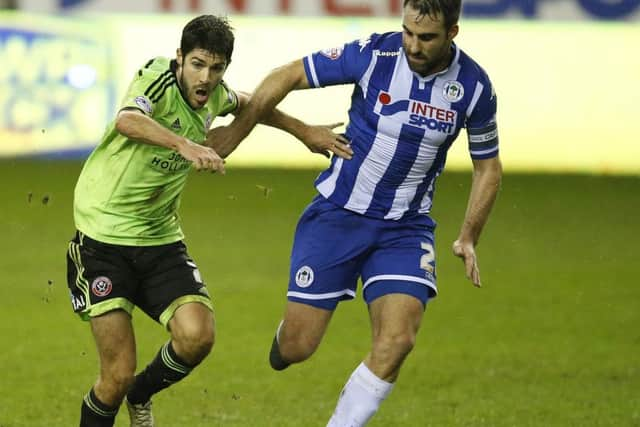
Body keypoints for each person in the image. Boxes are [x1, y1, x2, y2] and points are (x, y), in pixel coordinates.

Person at [206, 0, 502, 425]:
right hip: (338, 216)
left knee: (397, 341)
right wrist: (237, 131)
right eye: (408, 33)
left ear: (452, 33)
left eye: (427, 38)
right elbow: (286, 74)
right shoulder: (374, 54)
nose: (414, 46)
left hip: (405, 229)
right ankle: (287, 337)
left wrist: (469, 235)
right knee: (297, 347)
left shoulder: (474, 88)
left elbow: (488, 166)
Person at [66, 14, 348, 427]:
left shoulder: (214, 94)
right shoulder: (157, 79)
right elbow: (127, 119)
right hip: (101, 240)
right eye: (197, 64)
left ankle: (141, 395)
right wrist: (183, 144)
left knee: (198, 337)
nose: (205, 77)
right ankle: (126, 390)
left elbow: (252, 103)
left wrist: (303, 131)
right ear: (179, 58)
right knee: (115, 375)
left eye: (216, 69)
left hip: (159, 238)